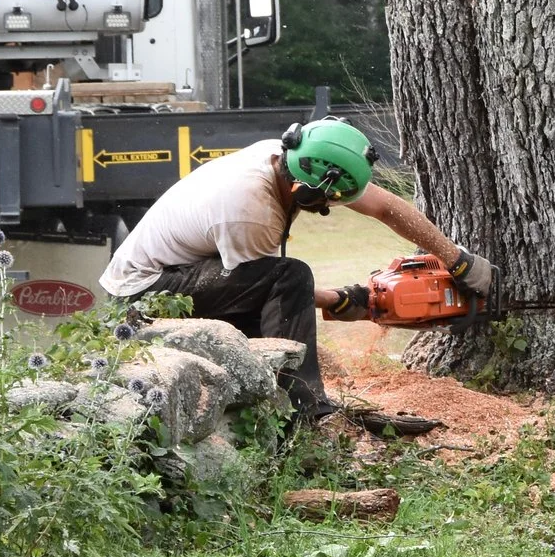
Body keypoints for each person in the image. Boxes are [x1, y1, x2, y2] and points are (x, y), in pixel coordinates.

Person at [96, 119, 493, 426]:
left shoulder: (292, 156)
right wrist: (347, 299)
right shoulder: (250, 212)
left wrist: (456, 259)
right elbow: (271, 286)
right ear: (307, 191)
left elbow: (386, 207)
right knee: (292, 277)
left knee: (285, 281)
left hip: (185, 270)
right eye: (330, 201)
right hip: (143, 293)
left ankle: (284, 401)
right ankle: (304, 412)